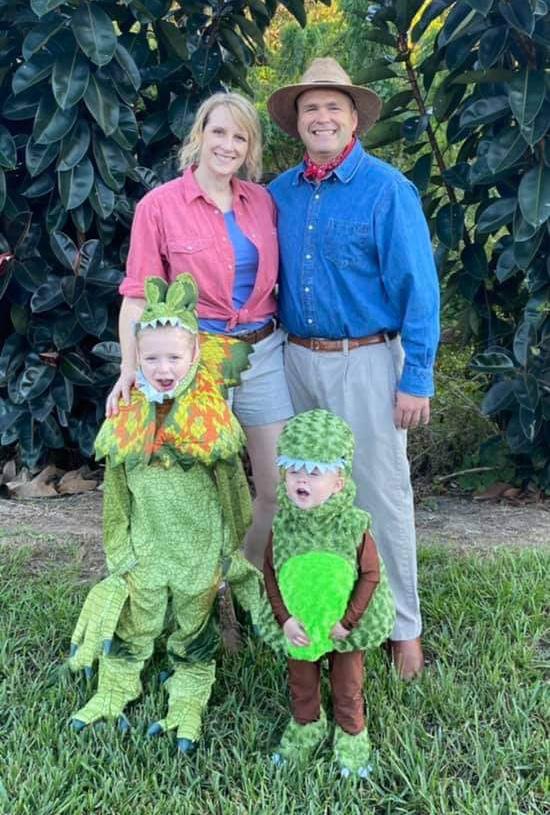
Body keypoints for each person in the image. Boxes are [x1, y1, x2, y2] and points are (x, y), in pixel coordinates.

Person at [266, 58, 440, 679]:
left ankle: (402, 628)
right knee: (305, 494)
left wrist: (416, 376)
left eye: (333, 107)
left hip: (365, 360)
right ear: (297, 121)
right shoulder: (279, 193)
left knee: (380, 493)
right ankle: (320, 614)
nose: (322, 117)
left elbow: (419, 289)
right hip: (293, 359)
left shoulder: (388, 190)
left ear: (353, 119)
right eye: (310, 107)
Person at [68, 274, 261, 753]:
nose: (163, 368)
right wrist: (119, 552)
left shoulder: (214, 422)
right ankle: (113, 691)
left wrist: (228, 549)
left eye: (174, 357)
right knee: (133, 625)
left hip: (198, 553)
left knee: (195, 633)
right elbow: (116, 496)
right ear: (136, 358)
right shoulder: (125, 417)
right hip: (147, 550)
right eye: (151, 358)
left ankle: (188, 699)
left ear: (195, 355)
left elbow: (235, 493)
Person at [107, 91, 294, 570]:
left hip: (263, 352)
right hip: (197, 362)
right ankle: (204, 591)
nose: (228, 145)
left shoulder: (263, 203)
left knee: (275, 486)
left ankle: (247, 579)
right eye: (219, 132)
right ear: (200, 135)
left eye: (240, 137)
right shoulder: (159, 206)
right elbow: (137, 295)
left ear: (250, 147)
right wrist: (129, 367)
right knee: (201, 487)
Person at [259, 410, 395, 777]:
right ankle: (307, 723)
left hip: (343, 627)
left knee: (347, 685)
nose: (301, 480)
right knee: (301, 680)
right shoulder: (283, 527)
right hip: (299, 625)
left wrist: (348, 622)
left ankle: (351, 732)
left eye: (314, 472)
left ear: (338, 482)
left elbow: (370, 575)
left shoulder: (352, 527)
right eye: (293, 471)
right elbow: (271, 573)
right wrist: (285, 620)